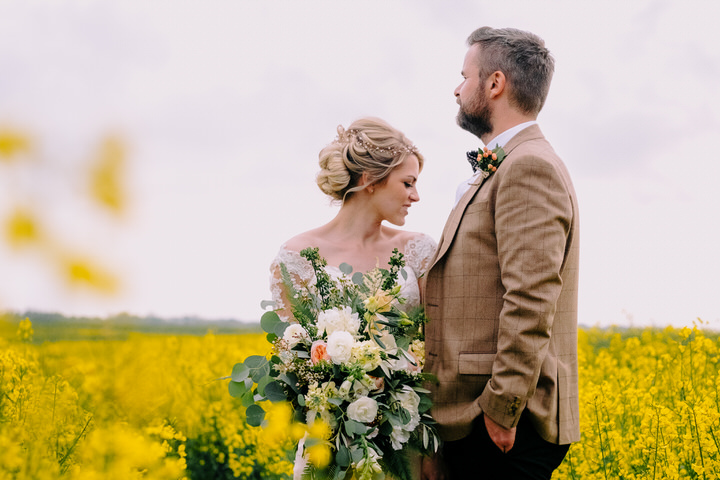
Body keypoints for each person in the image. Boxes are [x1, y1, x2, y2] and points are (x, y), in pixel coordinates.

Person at [421, 27, 580, 480]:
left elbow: (531, 295)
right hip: (483, 417)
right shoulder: (509, 161)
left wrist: (502, 408)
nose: (456, 88)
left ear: (494, 84)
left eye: (464, 76)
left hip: (500, 425)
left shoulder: (528, 165)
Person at [268, 116, 437, 479]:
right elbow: (293, 359)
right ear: (369, 181)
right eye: (407, 183)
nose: (416, 196)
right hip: (329, 444)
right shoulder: (296, 257)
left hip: (405, 443)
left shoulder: (419, 251)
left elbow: (436, 350)